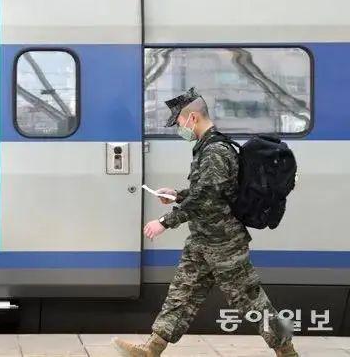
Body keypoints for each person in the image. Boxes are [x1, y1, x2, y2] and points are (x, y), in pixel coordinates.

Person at [112, 88, 298, 357]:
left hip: (224, 244)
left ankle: (287, 352)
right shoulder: (208, 148)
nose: (179, 128)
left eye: (179, 122)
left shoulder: (215, 151)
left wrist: (165, 221)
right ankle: (151, 349)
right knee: (181, 294)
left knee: (253, 302)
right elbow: (209, 191)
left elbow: (207, 197)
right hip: (202, 241)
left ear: (193, 118)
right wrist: (177, 194)